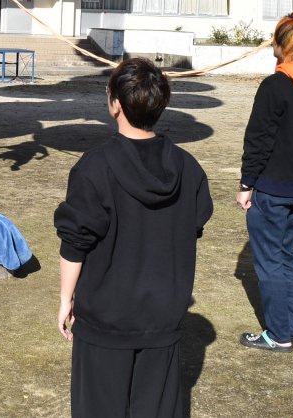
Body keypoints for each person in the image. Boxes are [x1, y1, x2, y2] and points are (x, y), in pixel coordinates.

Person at [54, 58, 213, 417]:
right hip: (163, 315)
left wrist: (66, 299)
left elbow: (74, 244)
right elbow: (194, 226)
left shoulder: (93, 168)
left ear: (114, 104)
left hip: (106, 319)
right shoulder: (188, 168)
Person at [237, 11, 293, 352]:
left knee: (271, 261)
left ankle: (279, 334)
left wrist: (246, 185)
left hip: (273, 189)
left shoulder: (274, 87)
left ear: (284, 45)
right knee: (288, 255)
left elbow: (258, 139)